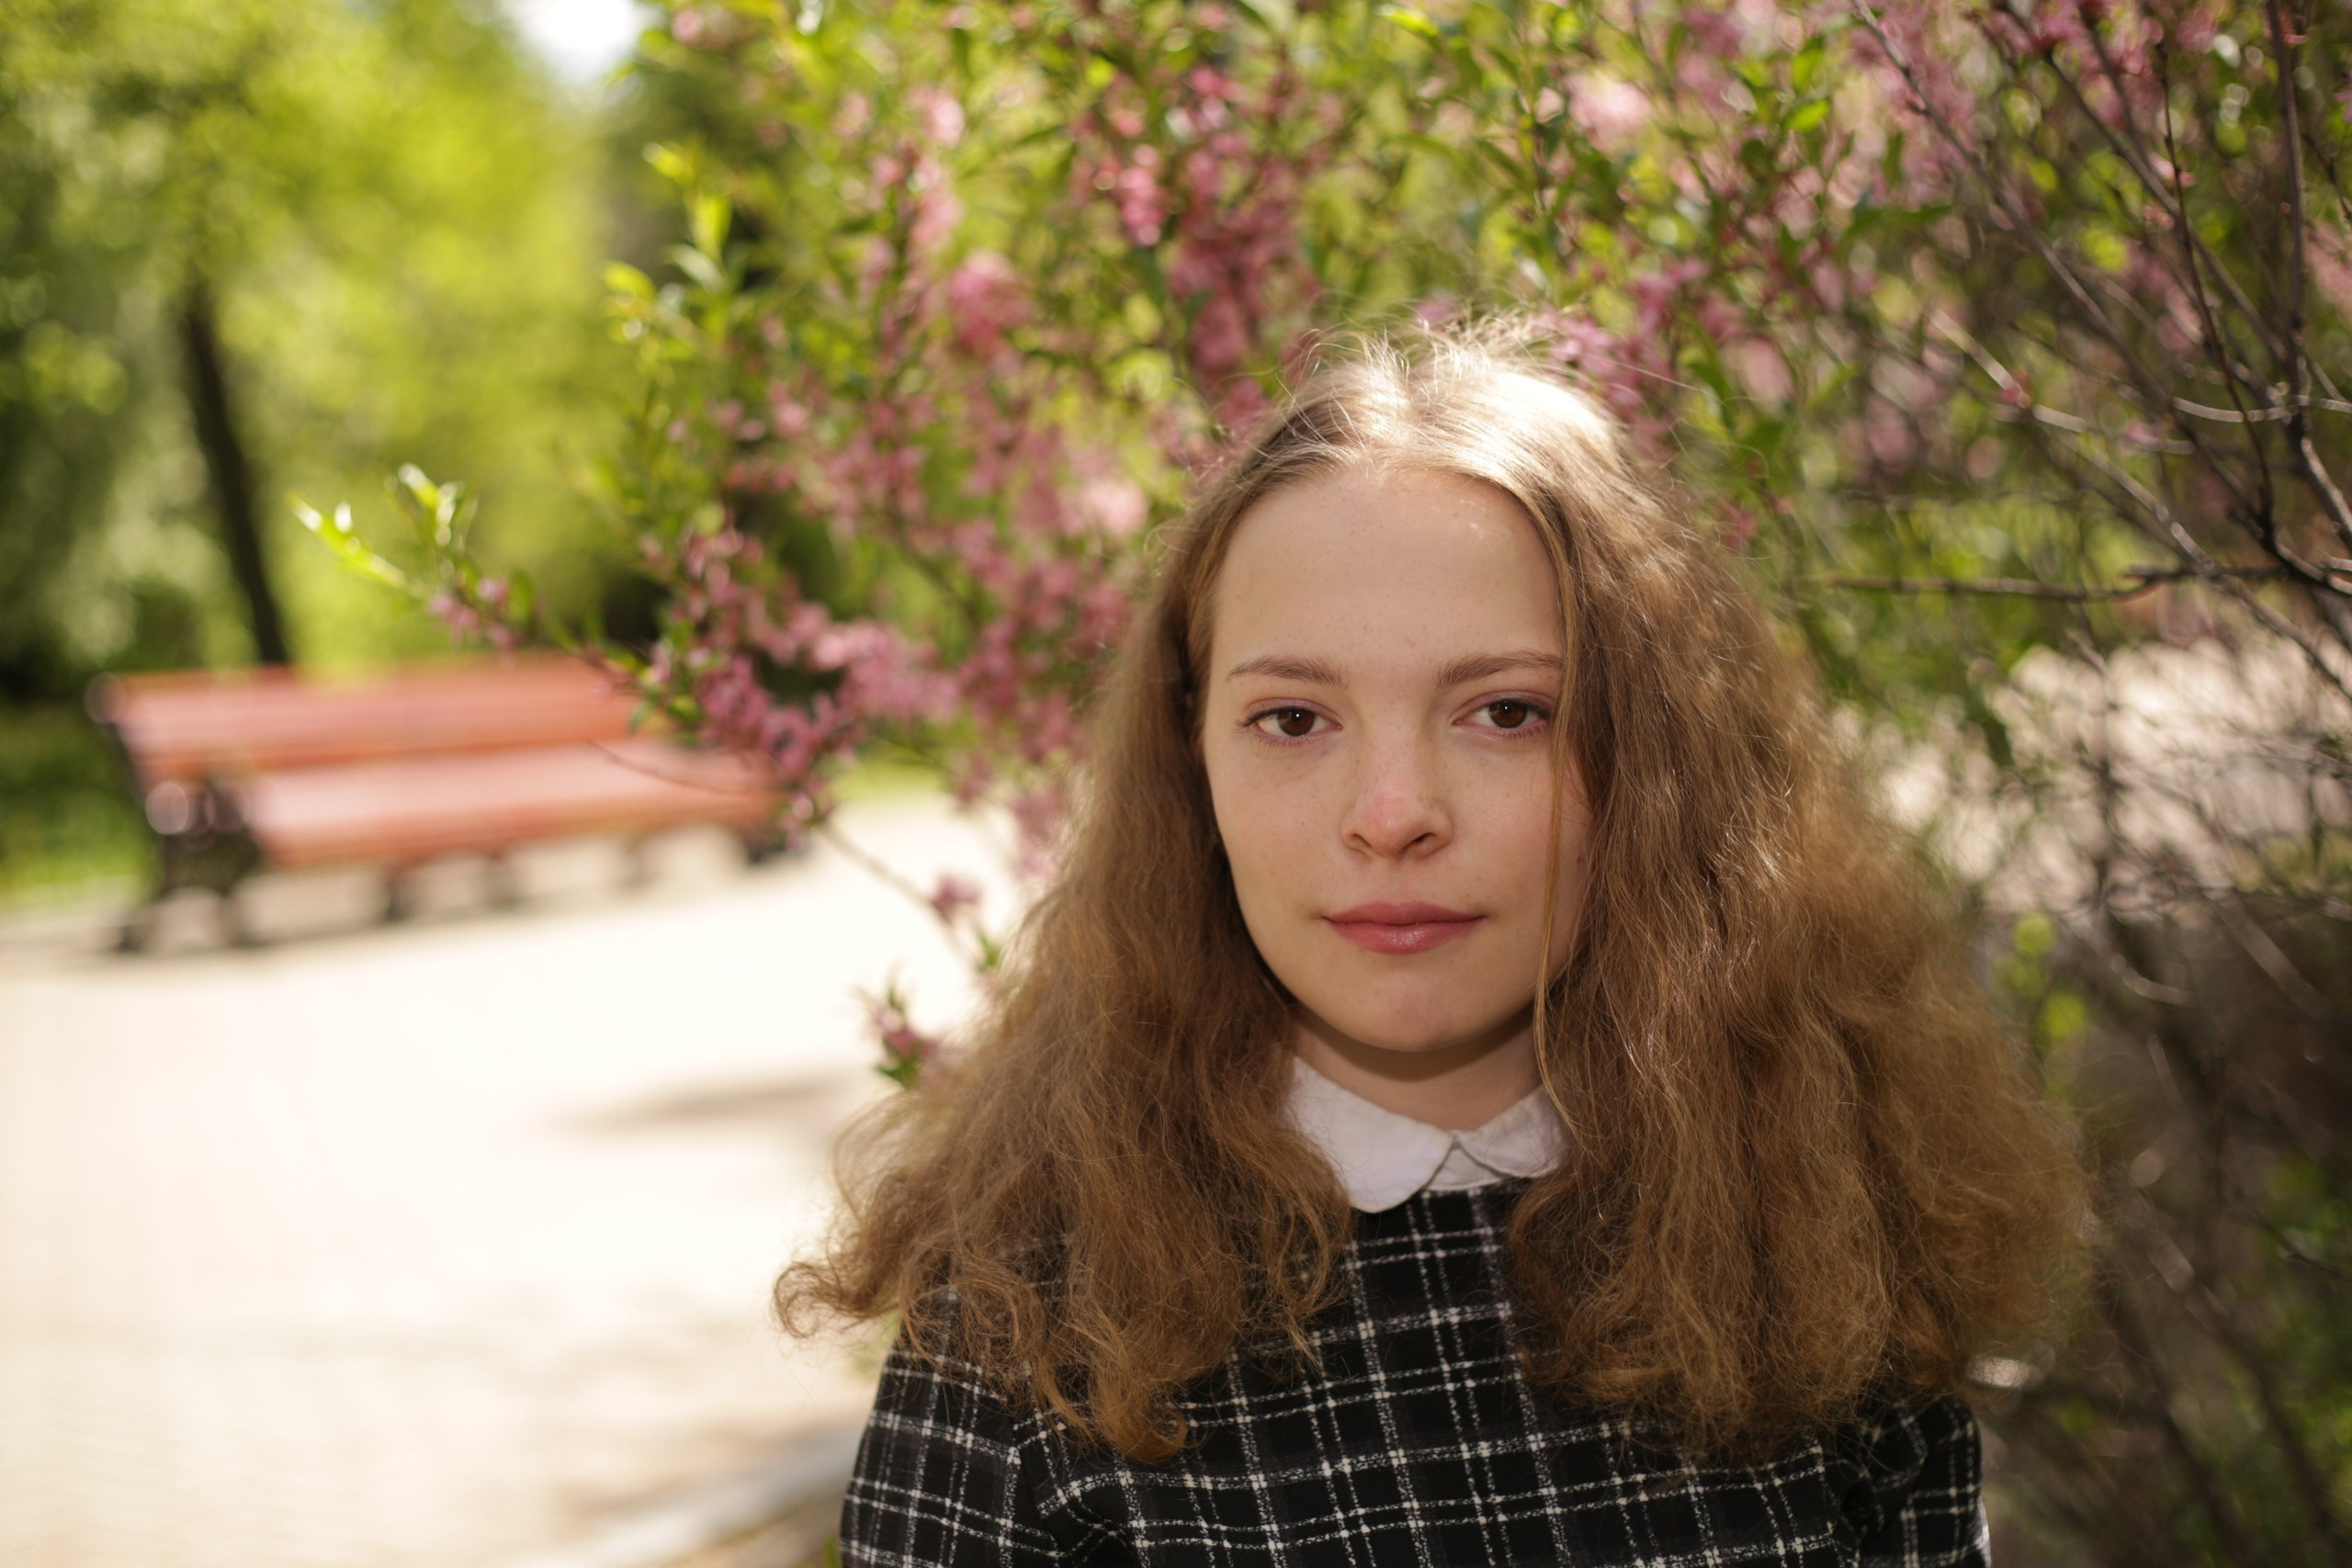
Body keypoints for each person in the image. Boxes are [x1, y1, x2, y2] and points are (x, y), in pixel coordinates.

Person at [777, 329, 2083, 1564]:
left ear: (1650, 763)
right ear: (1193, 765)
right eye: (1295, 720)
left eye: (1505, 712)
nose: (1393, 813)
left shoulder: (1823, 1237)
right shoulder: (1022, 1328)